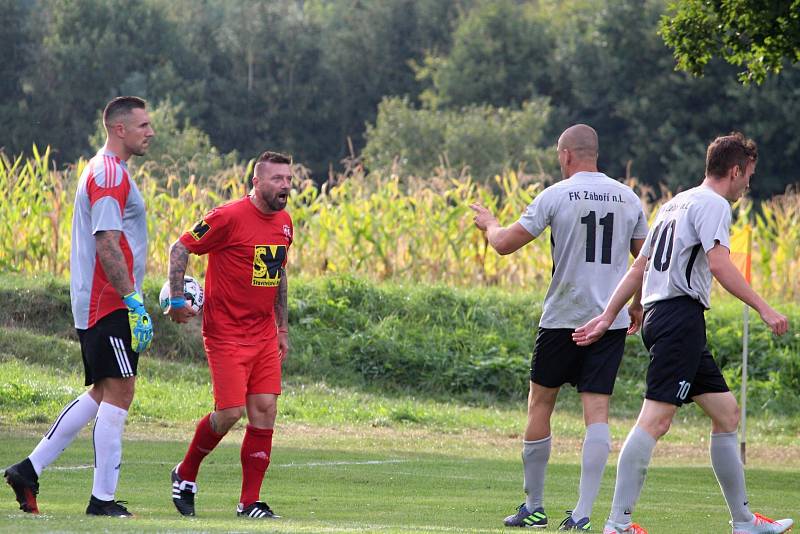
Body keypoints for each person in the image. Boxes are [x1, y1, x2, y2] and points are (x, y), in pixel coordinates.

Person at [573, 132, 793, 534]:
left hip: (665, 317)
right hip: (679, 319)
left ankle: (744, 521)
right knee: (655, 421)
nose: (749, 185)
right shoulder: (712, 204)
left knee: (727, 414)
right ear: (735, 169)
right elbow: (720, 266)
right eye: (749, 176)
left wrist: (610, 314)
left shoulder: (674, 204)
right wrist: (765, 308)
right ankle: (617, 524)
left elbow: (640, 267)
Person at [471, 124, 648, 531]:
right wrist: (636, 305)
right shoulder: (628, 197)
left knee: (540, 404)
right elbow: (648, 262)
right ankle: (583, 514)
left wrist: (490, 222)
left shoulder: (556, 194)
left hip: (562, 319)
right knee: (597, 412)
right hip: (610, 321)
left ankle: (534, 507)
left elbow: (503, 244)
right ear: (594, 153)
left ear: (566, 155)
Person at [4, 96, 155, 517]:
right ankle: (101, 501)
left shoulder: (112, 169)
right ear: (119, 129)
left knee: (103, 392)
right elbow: (106, 240)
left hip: (101, 301)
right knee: (121, 392)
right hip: (107, 302)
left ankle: (27, 469)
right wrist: (133, 301)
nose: (151, 132)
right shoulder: (108, 173)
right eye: (143, 125)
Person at [165, 150, 293, 520]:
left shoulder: (285, 222)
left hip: (264, 334)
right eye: (277, 179)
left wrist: (281, 326)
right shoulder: (227, 217)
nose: (285, 185)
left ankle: (249, 502)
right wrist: (175, 299)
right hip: (225, 334)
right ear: (257, 182)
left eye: (288, 179)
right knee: (230, 412)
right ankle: (185, 473)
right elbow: (181, 246)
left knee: (265, 410)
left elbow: (279, 272)